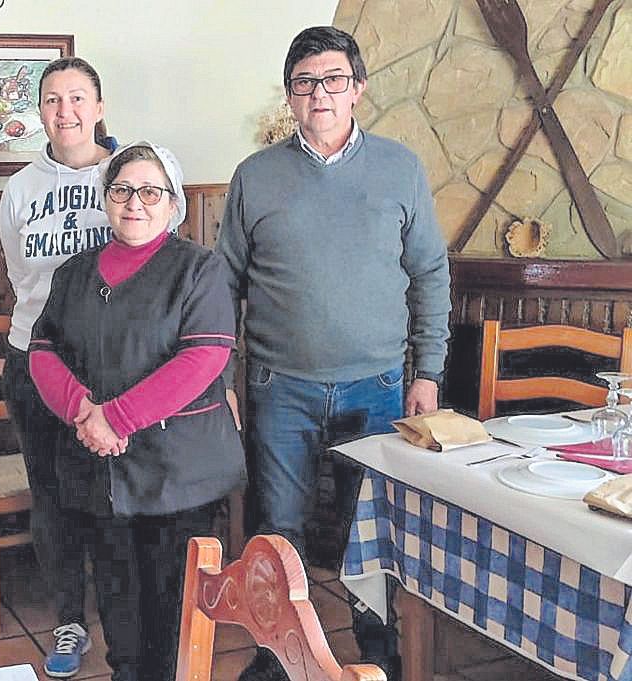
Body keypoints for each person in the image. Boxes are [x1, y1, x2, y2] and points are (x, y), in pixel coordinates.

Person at [215, 26, 451, 681]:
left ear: (359, 89)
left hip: (374, 387)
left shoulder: (400, 168)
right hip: (277, 385)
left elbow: (430, 272)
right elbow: (222, 283)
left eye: (333, 80)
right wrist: (218, 379)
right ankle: (277, 655)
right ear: (289, 97)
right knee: (279, 529)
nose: (319, 93)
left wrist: (427, 373)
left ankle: (377, 649)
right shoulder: (254, 177)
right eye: (304, 83)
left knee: (367, 531)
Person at [28, 141, 245, 681]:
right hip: (98, 467)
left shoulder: (200, 270)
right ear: (106, 199)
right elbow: (43, 349)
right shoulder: (75, 272)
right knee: (117, 594)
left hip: (178, 471)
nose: (135, 202)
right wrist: (82, 409)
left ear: (174, 204)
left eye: (152, 191)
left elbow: (205, 356)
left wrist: (115, 419)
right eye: (123, 190)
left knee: (173, 605)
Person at [0, 56, 117, 678]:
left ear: (99, 108)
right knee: (52, 497)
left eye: (77, 98)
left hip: (116, 368)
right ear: (39, 111)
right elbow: (25, 278)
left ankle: (127, 621)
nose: (64, 111)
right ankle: (69, 620)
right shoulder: (20, 187)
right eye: (51, 99)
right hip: (34, 361)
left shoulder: (133, 176)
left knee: (115, 493)